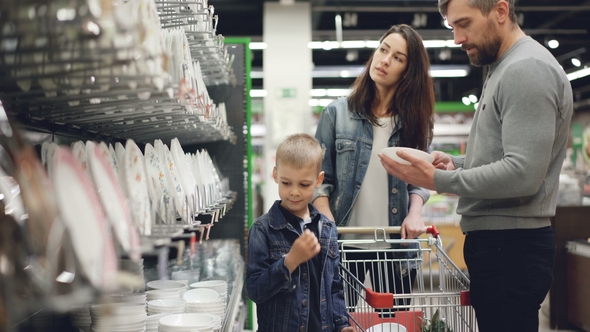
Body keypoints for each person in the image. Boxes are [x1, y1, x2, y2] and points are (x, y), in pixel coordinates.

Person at [378, 1, 574, 331]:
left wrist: (438, 179)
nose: (457, 38)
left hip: (510, 248)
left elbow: (523, 174)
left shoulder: (526, 70)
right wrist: (455, 163)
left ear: (500, 10)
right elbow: (506, 159)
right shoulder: (506, 66)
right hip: (503, 247)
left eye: (464, 24)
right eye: (452, 27)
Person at [313, 24, 434, 312]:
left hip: (395, 248)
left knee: (392, 323)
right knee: (339, 323)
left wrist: (415, 213)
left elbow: (421, 179)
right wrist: (328, 220)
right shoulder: (336, 114)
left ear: (408, 71)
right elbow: (318, 179)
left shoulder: (417, 122)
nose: (384, 61)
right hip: (343, 246)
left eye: (398, 58)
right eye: (383, 50)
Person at [245, 133, 355, 332]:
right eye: (286, 183)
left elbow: (334, 287)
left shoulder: (327, 229)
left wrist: (342, 324)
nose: (294, 192)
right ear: (276, 175)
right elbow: (255, 290)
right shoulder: (262, 230)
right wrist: (289, 262)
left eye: (304, 184)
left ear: (318, 180)